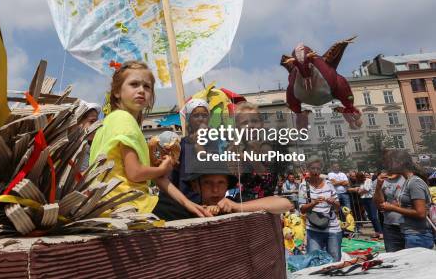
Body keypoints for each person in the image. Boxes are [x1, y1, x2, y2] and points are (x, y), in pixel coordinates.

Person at [88, 61, 208, 218]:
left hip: (108, 206)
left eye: (147, 86)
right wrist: (163, 169)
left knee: (189, 211)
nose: (141, 90)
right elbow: (135, 173)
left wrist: (187, 203)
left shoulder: (110, 121)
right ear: (117, 91)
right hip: (129, 205)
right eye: (134, 84)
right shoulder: (124, 119)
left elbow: (158, 178)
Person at [377, 149, 434, 249]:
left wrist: (393, 208)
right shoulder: (408, 181)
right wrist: (397, 205)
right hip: (412, 234)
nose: (387, 166)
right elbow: (412, 206)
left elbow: (421, 213)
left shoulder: (414, 182)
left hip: (418, 235)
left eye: (390, 162)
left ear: (400, 163)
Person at [185, 172, 292, 216]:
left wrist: (236, 206)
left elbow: (285, 204)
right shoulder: (187, 210)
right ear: (195, 186)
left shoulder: (233, 202)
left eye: (221, 182)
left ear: (227, 185)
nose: (215, 190)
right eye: (208, 183)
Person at [299, 158, 342, 261]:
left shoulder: (329, 184)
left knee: (335, 259)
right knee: (314, 260)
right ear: (308, 169)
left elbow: (338, 206)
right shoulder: (303, 186)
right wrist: (314, 203)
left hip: (332, 228)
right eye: (313, 168)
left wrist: (332, 202)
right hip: (313, 228)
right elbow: (302, 209)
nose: (315, 171)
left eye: (318, 168)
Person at [373, 170, 406, 252]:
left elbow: (416, 204)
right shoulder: (379, 180)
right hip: (390, 227)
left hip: (410, 226)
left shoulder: (408, 177)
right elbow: (380, 205)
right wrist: (378, 187)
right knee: (393, 258)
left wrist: (393, 206)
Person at [350, 172, 383, 239]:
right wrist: (360, 190)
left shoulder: (369, 180)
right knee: (370, 217)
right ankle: (377, 232)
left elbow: (366, 190)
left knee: (374, 216)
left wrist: (359, 190)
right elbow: (361, 191)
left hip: (370, 199)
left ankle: (381, 232)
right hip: (364, 199)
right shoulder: (361, 182)